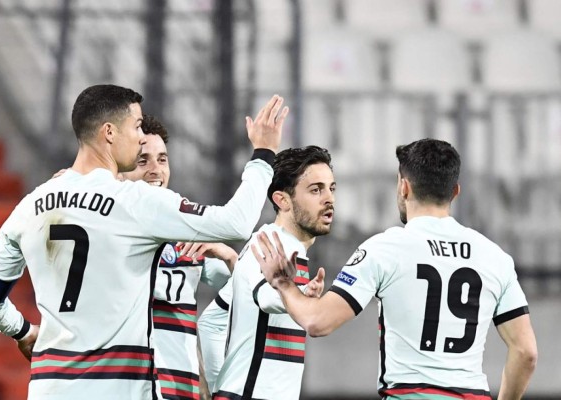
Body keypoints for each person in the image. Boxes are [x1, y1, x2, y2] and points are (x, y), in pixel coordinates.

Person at [0, 84, 288, 400]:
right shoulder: (134, 202)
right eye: (136, 127)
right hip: (117, 387)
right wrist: (263, 154)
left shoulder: (31, 205)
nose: (140, 138)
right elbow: (237, 222)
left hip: (49, 389)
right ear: (109, 132)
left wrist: (23, 331)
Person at [254, 138, 538, 400]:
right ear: (455, 191)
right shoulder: (495, 257)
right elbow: (526, 353)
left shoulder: (384, 249)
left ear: (404, 186)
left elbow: (317, 321)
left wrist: (283, 283)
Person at [120, 114, 238, 400]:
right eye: (142, 160)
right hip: (127, 387)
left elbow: (245, 288)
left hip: (181, 390)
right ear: (120, 168)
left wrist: (228, 255)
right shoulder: (106, 228)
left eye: (162, 159)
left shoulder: (185, 232)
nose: (155, 170)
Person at [211, 145, 335, 400]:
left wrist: (213, 384)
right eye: (315, 190)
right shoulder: (272, 245)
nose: (328, 198)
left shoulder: (279, 246)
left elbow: (212, 319)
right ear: (282, 200)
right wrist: (292, 291)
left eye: (331, 188)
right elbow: (268, 298)